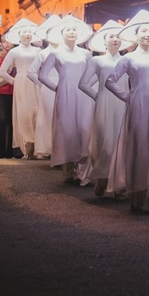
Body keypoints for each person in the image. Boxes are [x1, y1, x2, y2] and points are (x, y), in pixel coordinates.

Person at [106, 10, 149, 214]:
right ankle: (137, 192)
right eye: (144, 31)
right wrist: (128, 97)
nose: (148, 34)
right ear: (136, 35)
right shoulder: (128, 58)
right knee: (140, 148)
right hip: (138, 107)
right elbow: (110, 81)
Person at [36, 15, 96, 185]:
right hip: (65, 96)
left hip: (83, 96)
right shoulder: (55, 53)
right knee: (68, 131)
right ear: (61, 34)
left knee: (85, 129)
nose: (71, 32)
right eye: (68, 30)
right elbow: (42, 75)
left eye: (74, 30)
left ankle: (85, 172)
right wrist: (57, 87)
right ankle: (70, 170)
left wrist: (87, 86)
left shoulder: (86, 53)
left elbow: (94, 74)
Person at [80, 21, 128, 198]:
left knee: (122, 143)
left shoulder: (127, 60)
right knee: (105, 143)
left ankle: (120, 184)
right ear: (103, 40)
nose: (115, 39)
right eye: (111, 36)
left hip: (124, 103)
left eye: (118, 36)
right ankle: (102, 179)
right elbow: (83, 84)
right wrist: (98, 96)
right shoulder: (97, 60)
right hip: (104, 104)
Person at [0, 18, 40, 159]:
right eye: (24, 32)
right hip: (21, 83)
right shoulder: (14, 52)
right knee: (24, 114)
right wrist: (14, 80)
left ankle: (39, 147)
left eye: (30, 32)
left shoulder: (38, 50)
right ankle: (27, 148)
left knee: (38, 112)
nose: (27, 34)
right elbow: (2, 71)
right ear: (18, 35)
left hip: (36, 82)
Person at [27, 14, 63, 160]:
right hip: (49, 89)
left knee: (63, 118)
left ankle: (62, 147)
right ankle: (48, 148)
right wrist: (44, 84)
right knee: (48, 117)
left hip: (65, 87)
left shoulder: (65, 52)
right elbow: (31, 72)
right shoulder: (42, 53)